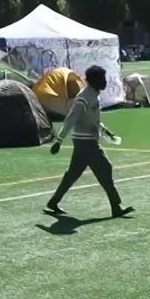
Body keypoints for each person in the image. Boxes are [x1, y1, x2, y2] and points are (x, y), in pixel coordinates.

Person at [44, 65, 133, 218]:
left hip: (84, 141)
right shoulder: (84, 97)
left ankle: (53, 202)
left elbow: (92, 118)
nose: (105, 82)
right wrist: (58, 140)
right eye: (102, 79)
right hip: (87, 142)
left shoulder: (93, 95)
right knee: (105, 168)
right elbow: (71, 118)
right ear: (94, 81)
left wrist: (106, 131)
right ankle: (116, 206)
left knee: (73, 174)